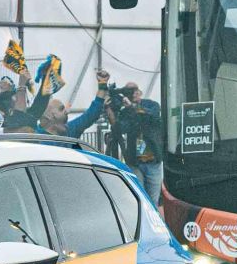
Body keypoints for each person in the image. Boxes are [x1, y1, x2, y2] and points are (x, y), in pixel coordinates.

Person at [70, 72, 166, 205]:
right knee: (140, 198)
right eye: (129, 91)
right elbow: (120, 129)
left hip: (153, 161)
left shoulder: (151, 105)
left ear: (140, 92)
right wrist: (110, 111)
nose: (134, 93)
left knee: (153, 200)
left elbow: (152, 116)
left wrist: (132, 107)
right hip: (135, 162)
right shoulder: (126, 111)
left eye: (135, 90)